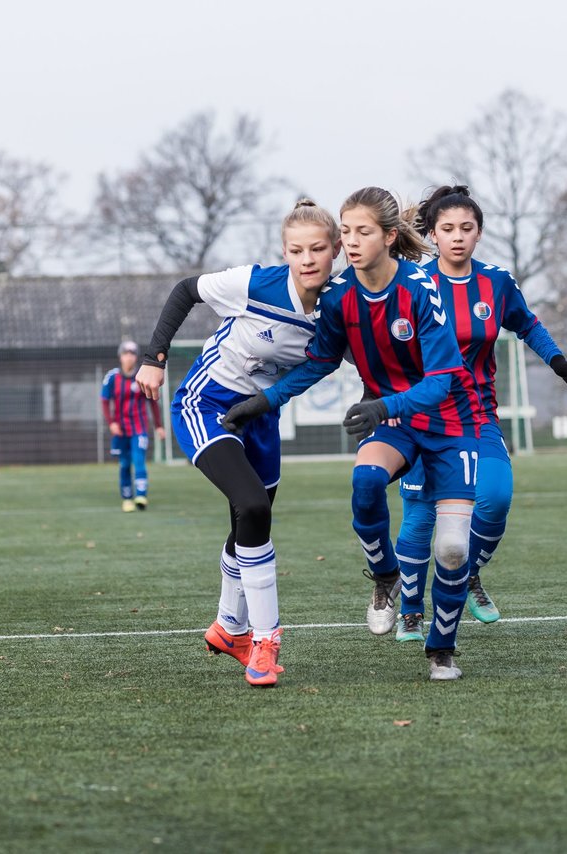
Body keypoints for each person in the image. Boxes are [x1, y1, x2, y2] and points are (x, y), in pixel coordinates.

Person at [223, 187, 486, 681]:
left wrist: (383, 403)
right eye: (345, 232)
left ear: (388, 237)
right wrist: (265, 401)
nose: (351, 241)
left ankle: (441, 651)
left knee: (451, 549)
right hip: (394, 423)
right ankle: (386, 576)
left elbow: (441, 382)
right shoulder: (341, 297)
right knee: (365, 482)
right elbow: (319, 362)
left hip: (451, 421)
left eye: (363, 231)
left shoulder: (420, 290)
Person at [133, 199, 341, 687]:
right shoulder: (257, 283)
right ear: (284, 253)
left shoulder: (340, 305)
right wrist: (154, 358)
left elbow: (337, 357)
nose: (307, 258)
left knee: (247, 521)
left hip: (261, 418)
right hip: (206, 405)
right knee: (252, 506)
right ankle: (265, 640)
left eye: (317, 248)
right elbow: (186, 291)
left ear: (336, 250)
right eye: (296, 250)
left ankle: (229, 627)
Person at [390, 185, 567, 643]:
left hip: (477, 416)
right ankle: (411, 609)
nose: (457, 236)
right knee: (420, 515)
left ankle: (467, 573)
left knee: (495, 499)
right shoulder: (413, 283)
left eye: (467, 228)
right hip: (422, 418)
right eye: (448, 228)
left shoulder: (495, 282)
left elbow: (527, 323)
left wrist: (556, 359)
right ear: (432, 235)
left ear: (479, 234)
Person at [101, 342, 165, 511]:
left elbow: (153, 402)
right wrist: (111, 423)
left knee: (139, 460)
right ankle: (127, 498)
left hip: (139, 428)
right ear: (120, 356)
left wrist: (158, 426)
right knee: (124, 463)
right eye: (125, 353)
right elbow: (105, 401)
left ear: (136, 356)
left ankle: (141, 496)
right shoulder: (112, 377)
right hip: (121, 430)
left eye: (132, 353)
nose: (129, 357)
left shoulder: (142, 376)